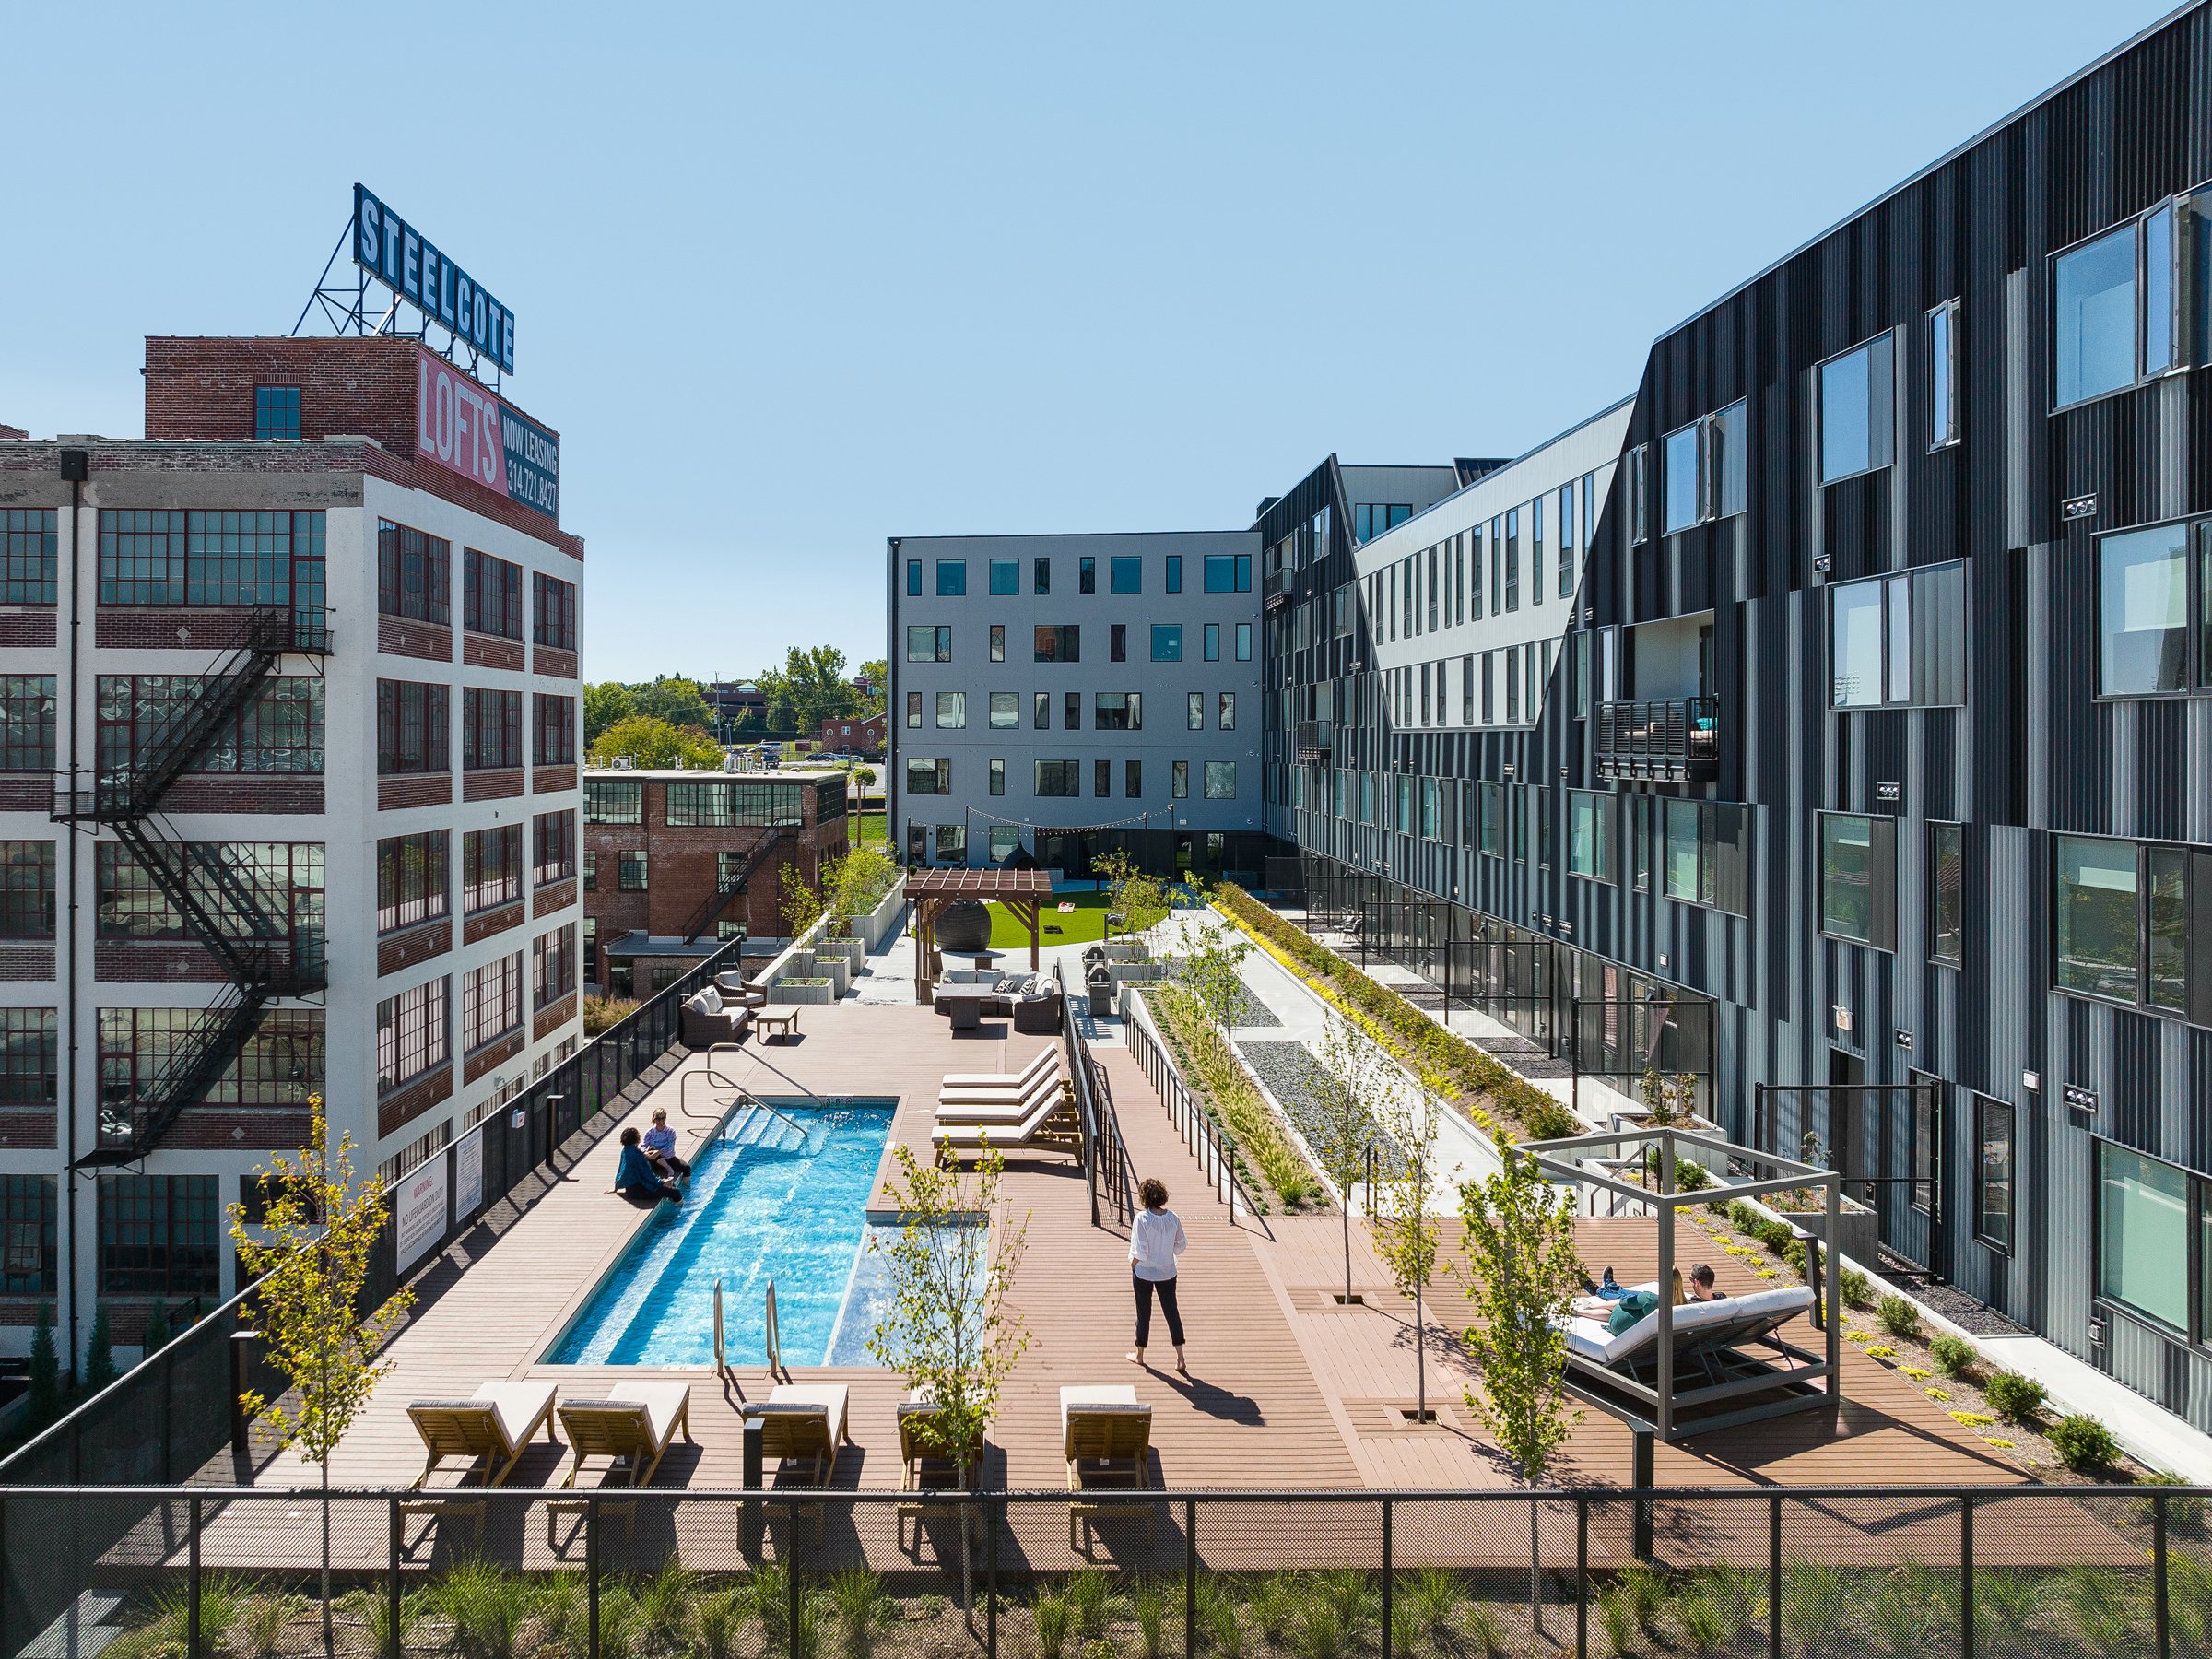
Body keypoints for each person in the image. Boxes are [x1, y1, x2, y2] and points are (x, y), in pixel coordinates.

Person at [1126, 1177, 1188, 1374]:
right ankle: (1180, 1357)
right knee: (1172, 1312)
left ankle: (1140, 1355)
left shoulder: (1142, 1219)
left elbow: (1140, 1250)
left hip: (1144, 1272)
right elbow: (1181, 1245)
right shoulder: (1173, 1218)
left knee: (1143, 1314)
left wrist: (1132, 1264)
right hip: (1168, 1271)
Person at [613, 1125, 680, 1205]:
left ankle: (672, 1203)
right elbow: (647, 1175)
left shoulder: (624, 1151)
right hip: (642, 1191)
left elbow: (621, 1172)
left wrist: (616, 1188)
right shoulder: (637, 1154)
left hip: (630, 1191)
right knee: (676, 1192)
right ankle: (680, 1208)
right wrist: (662, 1182)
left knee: (671, 1186)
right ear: (637, 1139)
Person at [641, 1109, 691, 1179]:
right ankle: (668, 1169)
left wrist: (658, 1152)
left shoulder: (670, 1131)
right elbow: (643, 1145)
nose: (660, 1121)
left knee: (687, 1168)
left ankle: (686, 1188)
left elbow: (670, 1146)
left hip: (668, 1158)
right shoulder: (650, 1132)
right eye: (658, 1119)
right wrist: (645, 1152)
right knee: (652, 1149)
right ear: (654, 1119)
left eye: (663, 1118)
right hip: (655, 1161)